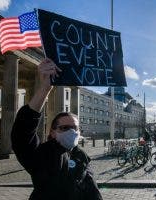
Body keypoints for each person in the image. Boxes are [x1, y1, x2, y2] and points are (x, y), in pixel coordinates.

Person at [11, 58, 103, 200]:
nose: (72, 131)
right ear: (53, 132)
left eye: (75, 128)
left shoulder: (82, 157)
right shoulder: (41, 155)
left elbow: (93, 193)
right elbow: (22, 133)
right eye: (65, 127)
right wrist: (44, 89)